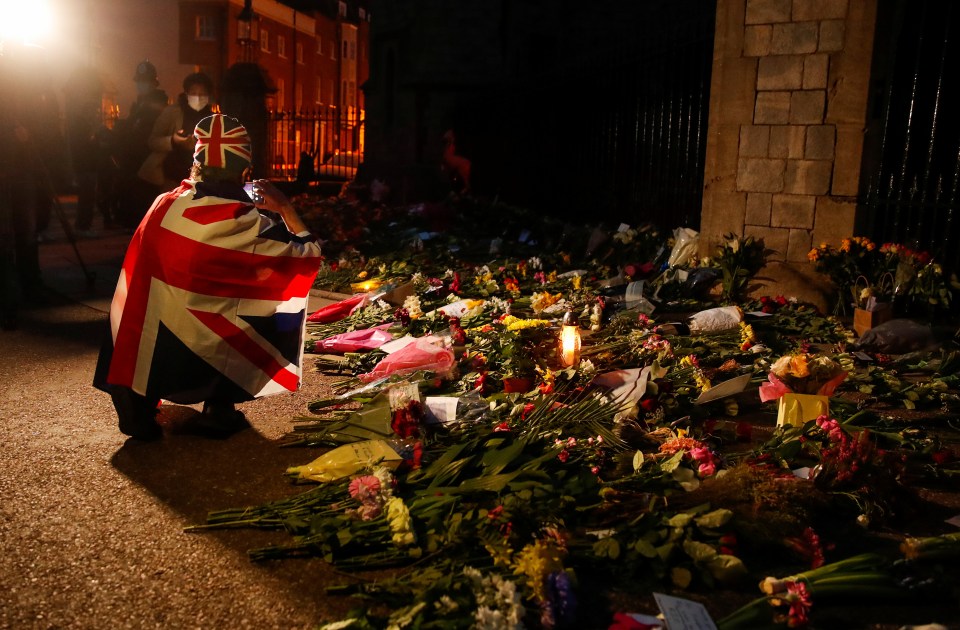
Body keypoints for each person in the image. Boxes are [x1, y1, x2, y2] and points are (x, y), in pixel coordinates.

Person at [94, 114, 323, 440]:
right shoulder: (245, 222)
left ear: (195, 165)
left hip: (148, 345)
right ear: (244, 171)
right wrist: (284, 208)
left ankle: (136, 402)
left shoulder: (164, 204)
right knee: (276, 309)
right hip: (203, 350)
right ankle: (220, 405)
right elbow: (307, 255)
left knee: (136, 296)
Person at [137, 71, 214, 194]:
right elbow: (153, 141)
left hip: (201, 184)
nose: (198, 97)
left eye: (202, 94)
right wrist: (173, 141)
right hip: (172, 181)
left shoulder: (213, 118)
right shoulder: (172, 113)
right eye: (194, 93)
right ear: (186, 93)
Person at [114, 61, 168, 229]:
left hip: (144, 162)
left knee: (143, 204)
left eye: (144, 82)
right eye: (139, 82)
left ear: (153, 83)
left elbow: (142, 134)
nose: (140, 86)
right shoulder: (139, 105)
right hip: (134, 162)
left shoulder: (156, 106)